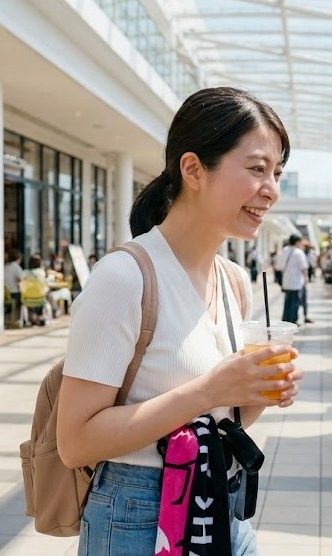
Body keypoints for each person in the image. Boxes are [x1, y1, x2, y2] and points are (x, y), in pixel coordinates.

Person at [57, 87, 301, 555]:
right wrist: (210, 388)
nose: (271, 189)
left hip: (222, 502)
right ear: (193, 169)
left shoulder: (233, 281)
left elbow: (224, 417)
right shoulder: (124, 278)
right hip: (139, 513)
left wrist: (261, 388)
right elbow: (75, 442)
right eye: (256, 168)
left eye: (277, 173)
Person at [280, 234, 308, 325]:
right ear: (297, 242)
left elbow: (278, 266)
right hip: (296, 282)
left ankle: (285, 320)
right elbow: (303, 267)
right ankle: (293, 321)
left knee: (287, 301)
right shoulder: (299, 252)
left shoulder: (284, 250)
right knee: (295, 302)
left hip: (286, 281)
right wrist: (306, 279)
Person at [21, 254, 49, 326]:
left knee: (30, 306)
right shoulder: (41, 272)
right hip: (40, 298)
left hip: (27, 299)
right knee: (46, 293)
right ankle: (39, 317)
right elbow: (44, 284)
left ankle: (33, 318)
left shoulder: (24, 273)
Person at [4, 250, 25, 321]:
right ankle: (17, 319)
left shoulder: (5, 266)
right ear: (18, 258)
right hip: (14, 293)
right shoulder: (16, 266)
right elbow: (22, 279)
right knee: (24, 299)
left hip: (5, 293)